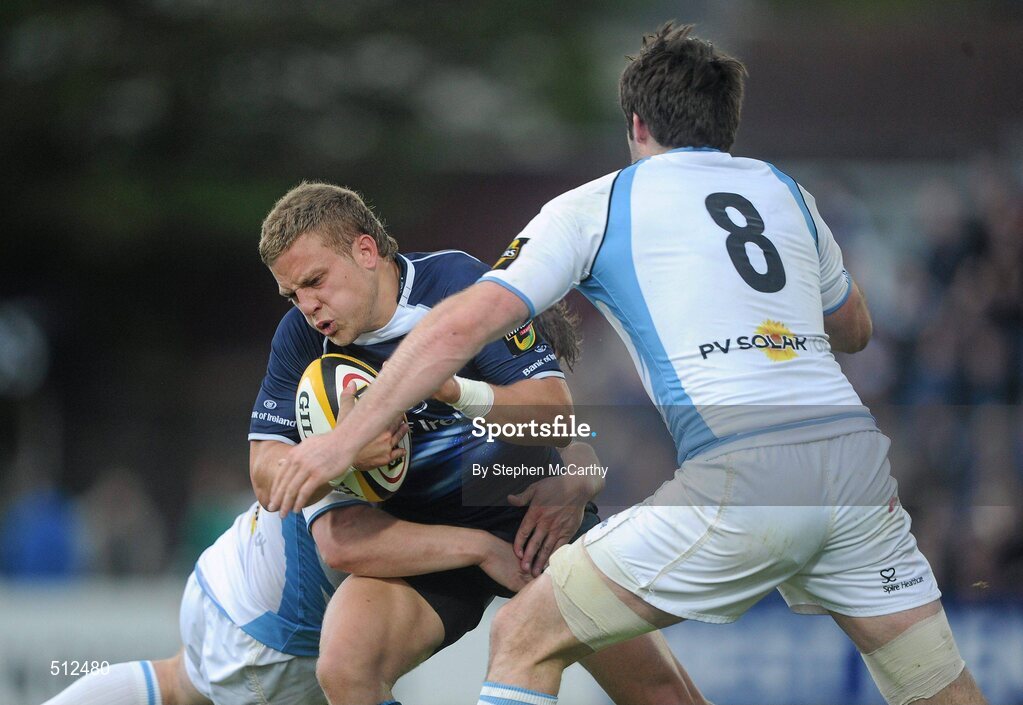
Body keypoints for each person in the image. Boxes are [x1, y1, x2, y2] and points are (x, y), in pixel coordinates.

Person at [268, 23, 987, 705]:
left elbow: (458, 325)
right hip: (857, 470)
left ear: (637, 124)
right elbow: (854, 327)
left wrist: (343, 437)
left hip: (745, 471)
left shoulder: (599, 204)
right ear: (725, 125)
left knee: (522, 637)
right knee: (933, 683)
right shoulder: (786, 192)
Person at [251, 182, 707, 705]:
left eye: (315, 281)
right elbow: (267, 474)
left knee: (660, 695)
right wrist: (344, 453)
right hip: (423, 543)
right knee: (346, 668)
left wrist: (448, 388)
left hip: (531, 523)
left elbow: (558, 419)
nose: (307, 305)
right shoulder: (300, 340)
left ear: (366, 250)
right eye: (292, 294)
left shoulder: (457, 284)